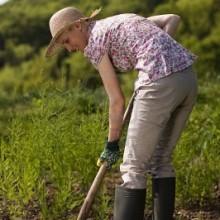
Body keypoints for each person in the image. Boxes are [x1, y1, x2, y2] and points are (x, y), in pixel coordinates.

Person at [46, 6, 198, 220]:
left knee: (132, 168)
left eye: (67, 41)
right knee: (161, 160)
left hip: (158, 83)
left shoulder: (95, 42)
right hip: (187, 79)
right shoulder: (121, 20)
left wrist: (111, 145)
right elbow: (172, 19)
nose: (69, 49)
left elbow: (116, 100)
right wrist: (157, 53)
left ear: (78, 26)